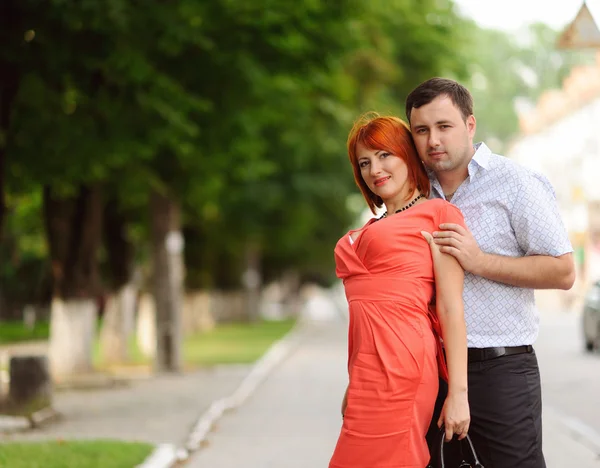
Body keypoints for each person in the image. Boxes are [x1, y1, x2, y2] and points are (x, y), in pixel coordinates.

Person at [405, 77, 576, 468]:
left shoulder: (516, 183)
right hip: (431, 371)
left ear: (469, 125)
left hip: (501, 371)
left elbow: (563, 271)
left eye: (444, 126)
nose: (433, 139)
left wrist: (479, 261)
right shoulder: (413, 194)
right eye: (422, 130)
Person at [328, 114, 470, 468]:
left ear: (407, 154)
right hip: (365, 375)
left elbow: (450, 309)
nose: (374, 168)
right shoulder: (372, 226)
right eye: (364, 162)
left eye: (383, 155)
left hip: (404, 368)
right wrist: (353, 382)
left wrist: (458, 394)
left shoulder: (437, 214)